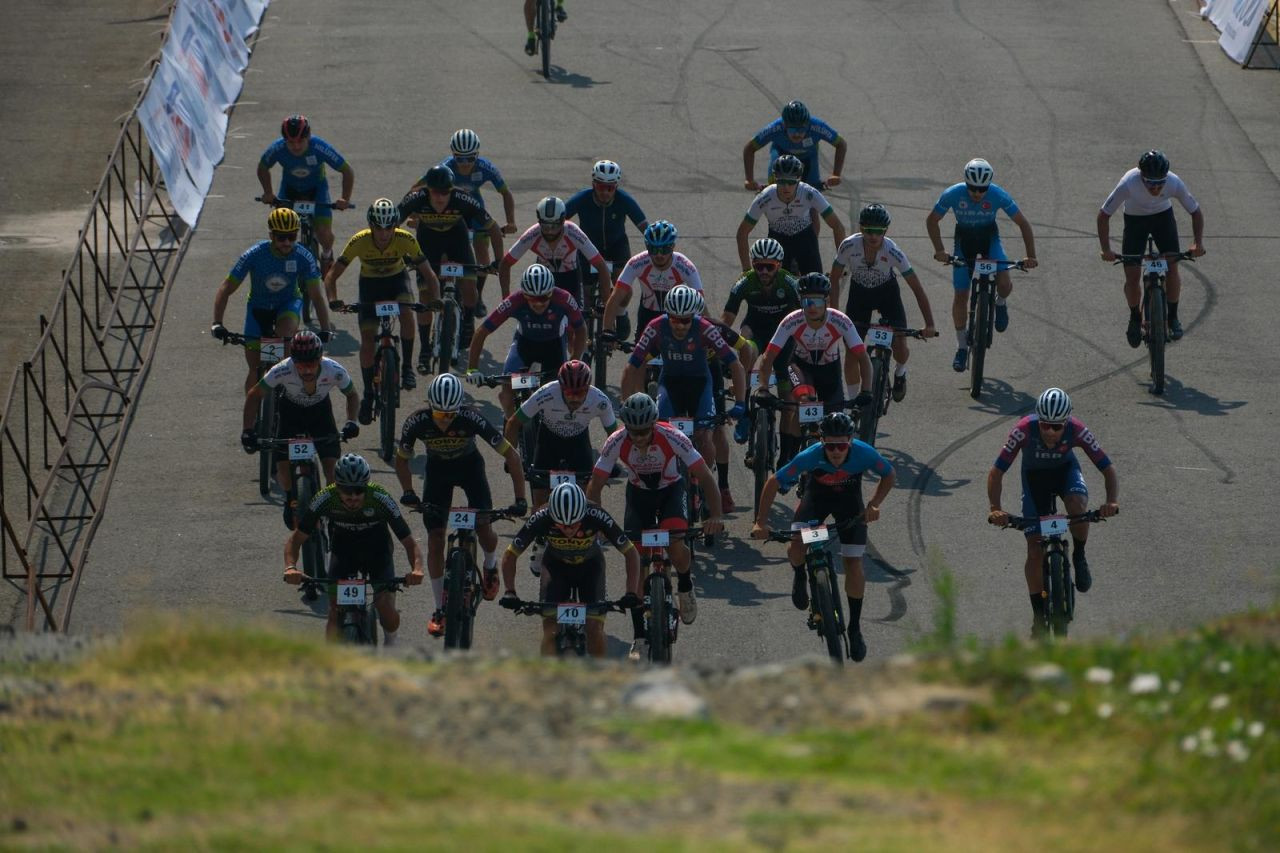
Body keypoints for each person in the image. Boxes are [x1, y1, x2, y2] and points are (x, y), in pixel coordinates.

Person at [586, 393, 724, 659]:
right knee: (636, 562)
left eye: (644, 431)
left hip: (671, 490)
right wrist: (595, 521)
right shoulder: (616, 440)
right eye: (633, 431)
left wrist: (715, 515)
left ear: (653, 425)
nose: (638, 438)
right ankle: (639, 637)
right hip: (639, 496)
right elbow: (596, 484)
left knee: (676, 546)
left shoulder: (672, 436)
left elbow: (705, 475)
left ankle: (685, 584)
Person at [750, 411, 895, 662]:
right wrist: (760, 522)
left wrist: (874, 504)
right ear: (821, 441)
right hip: (816, 502)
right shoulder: (809, 456)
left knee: (853, 563)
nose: (836, 451)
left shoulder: (864, 453)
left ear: (850, 441)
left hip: (849, 506)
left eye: (842, 445)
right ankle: (800, 574)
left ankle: (855, 627)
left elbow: (889, 474)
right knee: (798, 545)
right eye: (830, 446)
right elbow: (774, 482)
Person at [394, 374, 528, 638]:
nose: (445, 420)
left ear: (459, 408)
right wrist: (408, 491)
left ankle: (490, 565)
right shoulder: (416, 422)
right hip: (437, 473)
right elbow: (401, 460)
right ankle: (439, 609)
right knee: (435, 539)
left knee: (484, 527)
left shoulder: (471, 417)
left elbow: (512, 455)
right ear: (430, 406)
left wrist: (520, 498)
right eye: (439, 414)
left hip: (470, 469)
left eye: (450, 414)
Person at [986, 388, 1119, 636]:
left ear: (1066, 423)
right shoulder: (1023, 430)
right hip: (1034, 479)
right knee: (1034, 550)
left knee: (1077, 507)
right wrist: (995, 509)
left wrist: (1111, 502)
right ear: (1038, 420)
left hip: (1065, 473)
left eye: (1057, 427)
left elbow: (1108, 469)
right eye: (1045, 425)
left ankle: (1079, 555)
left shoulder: (1077, 429)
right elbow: (996, 472)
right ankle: (1038, 617)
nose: (1050, 432)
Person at [284, 453, 424, 645]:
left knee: (384, 606)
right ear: (336, 486)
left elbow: (409, 542)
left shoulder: (380, 498)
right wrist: (290, 567)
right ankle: (331, 660)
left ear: (367, 486)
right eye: (346, 491)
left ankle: (391, 643)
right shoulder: (325, 498)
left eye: (359, 491)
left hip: (377, 550)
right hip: (343, 551)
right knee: (334, 611)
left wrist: (417, 569)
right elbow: (296, 539)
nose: (353, 497)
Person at [324, 198, 440, 420]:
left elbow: (429, 274)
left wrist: (435, 300)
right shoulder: (359, 241)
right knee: (368, 341)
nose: (384, 233)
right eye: (379, 228)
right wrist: (333, 299)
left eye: (389, 228)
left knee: (407, 312)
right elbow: (331, 276)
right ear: (371, 226)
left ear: (395, 226)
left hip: (397, 282)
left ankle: (407, 367)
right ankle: (368, 393)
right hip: (370, 287)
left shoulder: (406, 239)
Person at [500, 482, 641, 658]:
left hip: (590, 568)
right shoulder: (542, 516)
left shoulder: (596, 514)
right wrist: (510, 592)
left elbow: (630, 552)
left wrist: (631, 592)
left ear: (583, 515)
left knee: (594, 630)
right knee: (550, 630)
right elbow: (510, 554)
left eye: (574, 525)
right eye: (561, 525)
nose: (568, 530)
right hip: (555, 568)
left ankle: (600, 672)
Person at [924, 158, 1038, 373]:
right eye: (972, 188)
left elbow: (1023, 223)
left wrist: (1031, 255)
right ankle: (961, 347)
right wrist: (939, 250)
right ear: (966, 183)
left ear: (989, 185)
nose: (977, 193)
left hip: (989, 239)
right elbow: (932, 220)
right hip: (964, 241)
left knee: (1004, 283)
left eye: (982, 189)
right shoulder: (953, 194)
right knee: (961, 295)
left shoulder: (998, 194)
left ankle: (1000, 303)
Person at [503, 359, 616, 573]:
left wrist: (612, 461)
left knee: (589, 496)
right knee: (540, 500)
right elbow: (513, 423)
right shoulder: (547, 393)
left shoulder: (599, 400)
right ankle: (540, 540)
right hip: (549, 443)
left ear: (588, 389)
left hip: (578, 444)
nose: (575, 399)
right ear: (561, 387)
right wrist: (511, 458)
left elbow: (615, 435)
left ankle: (592, 541)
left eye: (580, 393)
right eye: (570, 393)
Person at [622, 286, 747, 476]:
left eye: (685, 320)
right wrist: (626, 402)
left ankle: (704, 483)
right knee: (661, 432)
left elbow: (735, 364)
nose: (679, 326)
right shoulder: (656, 326)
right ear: (667, 315)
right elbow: (632, 366)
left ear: (694, 316)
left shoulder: (705, 328)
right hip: (670, 384)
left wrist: (740, 402)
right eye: (674, 320)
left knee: (704, 436)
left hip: (700, 385)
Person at [241, 330, 360, 527]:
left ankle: (332, 511)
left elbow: (352, 395)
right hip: (291, 413)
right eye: (301, 365)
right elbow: (254, 395)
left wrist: (352, 422)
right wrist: (247, 430)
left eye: (311, 364)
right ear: (292, 360)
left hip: (320, 414)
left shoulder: (333, 369)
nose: (306, 370)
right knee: (282, 463)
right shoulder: (282, 369)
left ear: (320, 359)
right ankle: (290, 498)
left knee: (332, 469)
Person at [212, 207, 331, 393]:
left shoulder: (303, 256)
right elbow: (226, 287)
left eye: (292, 237)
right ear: (271, 235)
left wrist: (325, 329)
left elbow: (316, 296)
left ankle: (285, 391)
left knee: (284, 336)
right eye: (281, 237)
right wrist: (217, 323)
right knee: (254, 369)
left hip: (287, 304)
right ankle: (253, 411)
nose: (287, 242)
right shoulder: (254, 254)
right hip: (258, 308)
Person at [830, 203, 939, 402]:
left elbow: (917, 288)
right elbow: (834, 278)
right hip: (859, 295)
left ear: (885, 231)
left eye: (878, 231)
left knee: (900, 344)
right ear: (861, 228)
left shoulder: (893, 251)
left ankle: (900, 371)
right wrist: (834, 314)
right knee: (852, 350)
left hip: (887, 295)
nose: (873, 236)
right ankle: (853, 403)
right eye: (868, 231)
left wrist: (929, 324)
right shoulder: (848, 246)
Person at [399, 165, 504, 371]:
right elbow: (391, 224)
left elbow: (493, 228)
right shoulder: (416, 197)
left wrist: (498, 261)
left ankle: (468, 320)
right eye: (435, 192)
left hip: (457, 240)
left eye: (445, 192)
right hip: (428, 241)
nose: (440, 197)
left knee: (469, 285)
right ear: (427, 190)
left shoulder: (462, 198)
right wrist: (402, 254)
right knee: (425, 295)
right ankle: (425, 348)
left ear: (452, 189)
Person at [1097, 149, 1205, 346]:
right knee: (1132, 276)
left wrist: (1198, 243)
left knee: (1172, 267)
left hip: (1163, 218)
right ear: (1141, 176)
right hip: (1135, 221)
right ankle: (1134, 317)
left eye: (1160, 183)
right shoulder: (1128, 183)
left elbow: (1196, 212)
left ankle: (1172, 316)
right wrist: (1106, 249)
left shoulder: (1174, 182)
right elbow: (1103, 215)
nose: (1155, 188)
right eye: (1150, 183)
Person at [414, 129, 518, 315]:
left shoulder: (486, 168)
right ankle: (443, 288)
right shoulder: (445, 167)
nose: (464, 164)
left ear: (477, 155)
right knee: (444, 253)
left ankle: (477, 296)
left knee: (483, 256)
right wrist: (415, 215)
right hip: (451, 213)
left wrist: (511, 222)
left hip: (473, 210)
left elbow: (506, 193)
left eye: (470, 158)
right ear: (452, 155)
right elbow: (417, 188)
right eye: (459, 159)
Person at [465, 263, 587, 419]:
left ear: (552, 293)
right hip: (524, 346)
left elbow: (581, 329)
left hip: (554, 347)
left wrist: (574, 359)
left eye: (543, 298)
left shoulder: (563, 298)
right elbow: (482, 332)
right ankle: (512, 426)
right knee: (507, 393)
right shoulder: (515, 300)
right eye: (532, 299)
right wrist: (472, 369)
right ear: (524, 295)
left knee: (560, 395)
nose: (538, 304)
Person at [752, 273, 874, 413]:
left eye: (817, 302)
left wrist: (866, 390)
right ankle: (796, 425)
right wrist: (763, 388)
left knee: (834, 418)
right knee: (804, 402)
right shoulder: (791, 320)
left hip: (830, 371)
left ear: (827, 301)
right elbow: (769, 356)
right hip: (801, 368)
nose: (812, 308)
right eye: (807, 302)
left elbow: (862, 357)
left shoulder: (841, 321)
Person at [257, 115, 354, 270]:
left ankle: (327, 254)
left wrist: (345, 198)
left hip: (317, 191)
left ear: (308, 136)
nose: (296, 147)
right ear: (284, 140)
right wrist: (268, 192)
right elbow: (262, 167)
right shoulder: (278, 148)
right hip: (289, 190)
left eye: (300, 141)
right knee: (281, 232)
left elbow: (347, 171)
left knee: (324, 233)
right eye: (290, 142)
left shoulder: (319, 147)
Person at [736, 155, 846, 275]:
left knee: (815, 283)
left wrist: (840, 264)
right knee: (776, 284)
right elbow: (742, 232)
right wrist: (746, 270)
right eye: (781, 181)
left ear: (799, 179)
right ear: (775, 179)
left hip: (805, 240)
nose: (786, 187)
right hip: (778, 240)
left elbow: (837, 226)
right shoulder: (765, 197)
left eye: (791, 182)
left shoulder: (809, 193)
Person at [498, 196, 613, 309]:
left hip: (571, 277)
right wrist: (506, 300)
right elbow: (505, 263)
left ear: (563, 221)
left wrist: (606, 303)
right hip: (544, 279)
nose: (550, 231)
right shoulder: (533, 234)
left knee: (578, 316)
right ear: (539, 222)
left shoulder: (573, 232)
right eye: (545, 226)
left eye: (554, 226)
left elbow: (601, 265)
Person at [602, 220, 703, 342]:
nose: (659, 255)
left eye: (664, 249)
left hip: (677, 317)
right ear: (647, 247)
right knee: (639, 353)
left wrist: (706, 335)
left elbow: (700, 303)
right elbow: (616, 297)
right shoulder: (637, 262)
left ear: (672, 247)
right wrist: (607, 329)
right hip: (647, 315)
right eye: (654, 249)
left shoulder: (685, 266)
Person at [565, 160, 649, 289]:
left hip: (617, 246)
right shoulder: (582, 199)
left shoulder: (624, 200)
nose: (605, 192)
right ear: (593, 185)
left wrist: (656, 248)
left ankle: (617, 302)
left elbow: (645, 228)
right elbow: (558, 218)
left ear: (616, 186)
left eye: (610, 188)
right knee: (585, 289)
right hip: (588, 246)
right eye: (601, 187)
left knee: (622, 286)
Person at [722, 237, 801, 364]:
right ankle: (745, 375)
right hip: (755, 329)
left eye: (770, 267)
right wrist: (718, 349)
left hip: (783, 331)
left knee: (783, 367)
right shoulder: (744, 282)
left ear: (779, 265)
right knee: (746, 343)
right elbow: (727, 319)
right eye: (759, 267)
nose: (764, 271)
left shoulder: (790, 282)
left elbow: (804, 316)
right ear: (753, 264)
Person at [743, 99, 847, 192]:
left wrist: (836, 174)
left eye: (801, 130)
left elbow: (841, 144)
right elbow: (749, 148)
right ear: (784, 126)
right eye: (792, 129)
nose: (797, 134)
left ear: (808, 125)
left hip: (808, 157)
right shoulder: (775, 129)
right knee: (775, 190)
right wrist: (749, 179)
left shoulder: (817, 127)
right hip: (780, 155)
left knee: (812, 192)